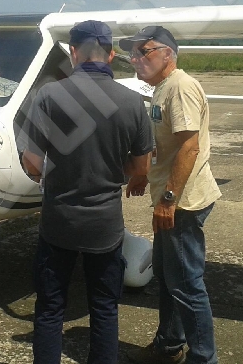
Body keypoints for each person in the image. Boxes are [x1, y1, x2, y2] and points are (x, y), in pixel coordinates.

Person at [20, 20, 153, 364]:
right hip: (105, 226)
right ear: (109, 55)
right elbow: (142, 167)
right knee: (104, 307)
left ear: (73, 52)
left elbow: (32, 164)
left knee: (50, 308)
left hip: (58, 222)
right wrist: (112, 166)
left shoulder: (48, 96)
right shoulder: (132, 102)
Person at [121, 26, 221, 364]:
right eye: (133, 53)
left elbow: (189, 147)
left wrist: (168, 200)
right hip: (172, 198)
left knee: (186, 285)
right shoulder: (163, 88)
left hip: (182, 203)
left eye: (144, 51)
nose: (136, 58)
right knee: (168, 277)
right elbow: (165, 145)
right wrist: (143, 174)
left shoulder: (179, 87)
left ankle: (203, 358)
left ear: (168, 54)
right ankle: (168, 346)